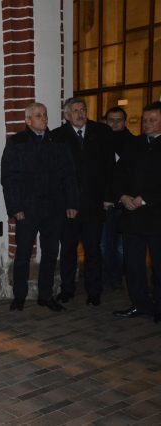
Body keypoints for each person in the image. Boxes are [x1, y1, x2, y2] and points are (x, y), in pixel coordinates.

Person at [1, 103, 79, 312]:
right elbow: (9, 178)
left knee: (51, 252)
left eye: (45, 115)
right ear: (28, 120)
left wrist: (71, 203)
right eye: (38, 116)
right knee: (23, 253)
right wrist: (15, 207)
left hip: (54, 207)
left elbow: (69, 174)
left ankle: (46, 295)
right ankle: (19, 296)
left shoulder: (57, 141)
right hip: (27, 208)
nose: (43, 119)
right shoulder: (17, 142)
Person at [51, 97, 114, 306]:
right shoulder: (57, 136)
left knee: (93, 249)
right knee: (68, 249)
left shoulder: (102, 132)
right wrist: (65, 203)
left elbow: (109, 167)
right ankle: (67, 289)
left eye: (83, 110)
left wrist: (108, 197)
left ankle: (94, 291)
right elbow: (56, 175)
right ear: (67, 115)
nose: (80, 114)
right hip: (68, 206)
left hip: (94, 204)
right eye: (76, 111)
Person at [112, 101, 161, 323]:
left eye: (152, 120)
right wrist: (123, 196)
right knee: (133, 266)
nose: (147, 124)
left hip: (156, 217)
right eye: (145, 120)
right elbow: (118, 173)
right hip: (132, 217)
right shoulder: (134, 144)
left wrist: (145, 198)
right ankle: (140, 304)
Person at [102, 107, 135, 289]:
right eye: (111, 120)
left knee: (122, 247)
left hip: (126, 203)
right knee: (104, 245)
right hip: (106, 203)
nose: (114, 123)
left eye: (119, 120)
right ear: (105, 122)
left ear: (125, 122)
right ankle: (109, 277)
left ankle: (118, 277)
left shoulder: (135, 143)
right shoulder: (99, 143)